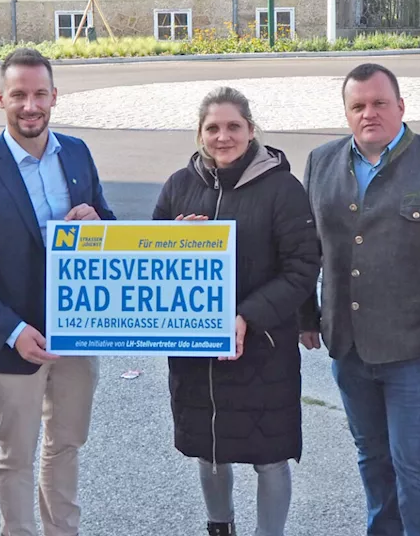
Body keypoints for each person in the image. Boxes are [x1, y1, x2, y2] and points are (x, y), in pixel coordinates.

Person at [299, 63, 420, 536]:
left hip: (415, 351)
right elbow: (306, 249)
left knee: (416, 466)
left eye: (380, 103)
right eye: (358, 106)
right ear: (346, 113)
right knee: (373, 459)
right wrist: (307, 316)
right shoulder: (320, 162)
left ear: (401, 106)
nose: (369, 114)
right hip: (348, 346)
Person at [0, 48, 115, 536]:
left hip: (80, 333)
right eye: (19, 95)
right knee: (15, 455)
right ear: (0, 98)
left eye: (40, 94)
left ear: (55, 96)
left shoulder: (77, 153)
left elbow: (109, 228)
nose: (30, 105)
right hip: (16, 340)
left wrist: (100, 222)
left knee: (66, 445)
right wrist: (12, 331)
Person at [152, 87, 321, 536]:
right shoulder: (178, 186)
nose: (222, 137)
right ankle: (219, 526)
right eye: (213, 128)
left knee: (270, 456)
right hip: (198, 351)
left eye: (233, 127)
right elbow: (149, 265)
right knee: (210, 450)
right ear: (200, 133)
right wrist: (173, 242)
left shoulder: (283, 189)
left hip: (262, 346)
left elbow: (302, 267)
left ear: (251, 130)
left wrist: (247, 315)